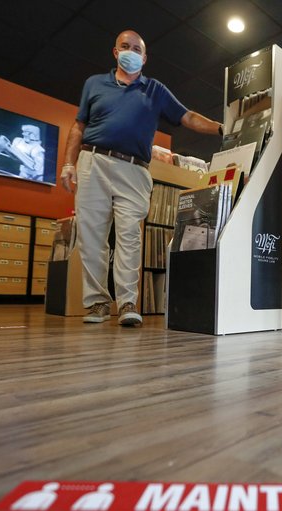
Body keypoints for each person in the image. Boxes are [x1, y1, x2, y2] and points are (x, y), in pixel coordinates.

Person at [60, 30, 222, 326]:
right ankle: (96, 303)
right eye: (125, 46)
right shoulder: (94, 84)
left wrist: (221, 128)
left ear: (145, 58)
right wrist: (68, 164)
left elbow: (187, 117)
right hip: (93, 161)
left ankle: (127, 303)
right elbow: (78, 126)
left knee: (129, 237)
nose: (131, 52)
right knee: (91, 237)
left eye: (137, 48)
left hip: (134, 169)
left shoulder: (155, 90)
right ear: (115, 51)